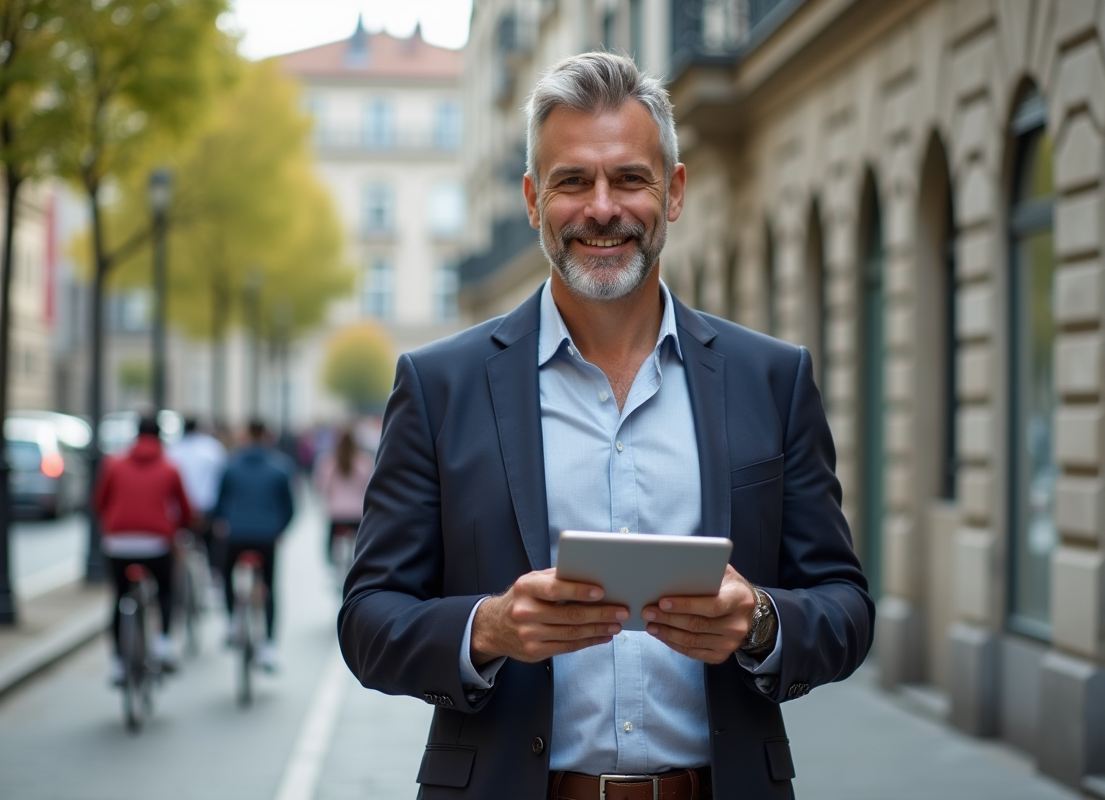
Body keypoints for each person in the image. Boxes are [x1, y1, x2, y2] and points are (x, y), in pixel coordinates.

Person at [338, 52, 874, 800]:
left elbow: (847, 609)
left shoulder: (771, 379)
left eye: (629, 178)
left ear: (674, 191)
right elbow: (367, 621)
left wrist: (758, 621)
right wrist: (488, 629)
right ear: (532, 199)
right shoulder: (440, 387)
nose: (601, 208)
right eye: (571, 181)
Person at [94, 415, 192, 682]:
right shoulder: (170, 467)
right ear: (159, 436)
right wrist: (181, 530)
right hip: (155, 543)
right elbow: (184, 509)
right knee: (166, 591)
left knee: (119, 597)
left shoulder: (113, 464)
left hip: (118, 542)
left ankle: (118, 663)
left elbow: (99, 501)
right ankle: (162, 644)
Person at [212, 420, 294, 672]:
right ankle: (268, 646)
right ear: (267, 436)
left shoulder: (230, 464)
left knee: (225, 576)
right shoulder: (280, 467)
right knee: (268, 587)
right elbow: (289, 507)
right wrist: (280, 531)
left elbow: (220, 503)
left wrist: (222, 524)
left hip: (236, 534)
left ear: (245, 435)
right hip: (266, 537)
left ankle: (230, 622)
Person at [167, 417, 227, 582]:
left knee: (176, 546)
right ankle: (215, 577)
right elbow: (221, 477)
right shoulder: (212, 448)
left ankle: (176, 578)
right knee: (212, 545)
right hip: (205, 506)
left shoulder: (172, 449)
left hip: (178, 508)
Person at [312, 426, 373, 564]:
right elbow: (369, 488)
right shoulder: (364, 462)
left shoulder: (327, 462)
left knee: (329, 549)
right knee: (360, 550)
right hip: (357, 514)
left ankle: (333, 568)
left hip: (336, 514)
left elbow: (322, 488)